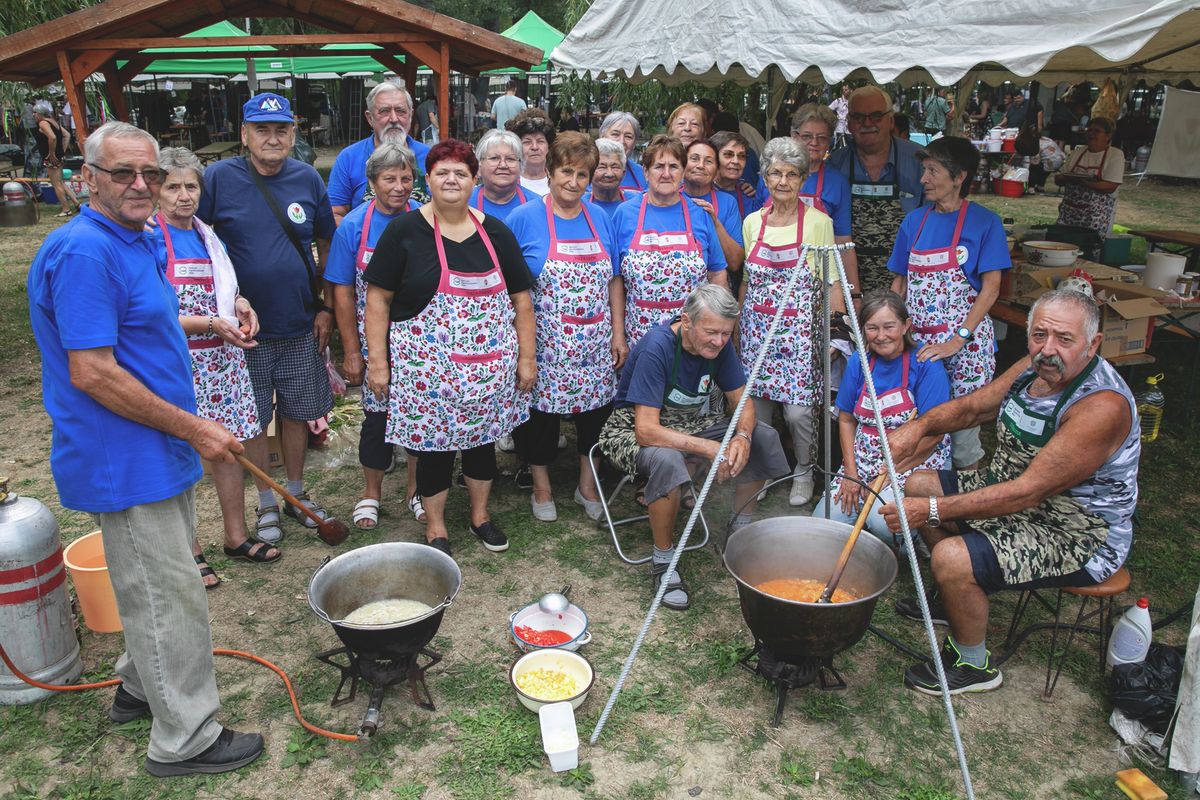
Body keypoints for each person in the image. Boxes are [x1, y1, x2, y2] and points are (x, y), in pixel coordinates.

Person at [27, 120, 263, 776]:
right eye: (122, 172)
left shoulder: (134, 239)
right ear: (87, 178)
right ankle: (184, 738)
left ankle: (138, 685)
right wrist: (194, 426)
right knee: (169, 594)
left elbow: (147, 329)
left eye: (150, 174)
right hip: (121, 456)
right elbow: (93, 371)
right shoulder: (83, 252)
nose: (140, 184)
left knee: (157, 582)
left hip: (156, 447)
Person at [881, 289, 1140, 695]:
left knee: (948, 551)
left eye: (1064, 339)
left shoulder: (1100, 407)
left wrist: (930, 509)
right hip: (1010, 491)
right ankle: (955, 599)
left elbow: (1027, 492)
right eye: (1039, 335)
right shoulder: (1034, 367)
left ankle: (973, 664)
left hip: (1075, 531)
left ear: (1093, 344)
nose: (1047, 350)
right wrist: (919, 427)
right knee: (919, 481)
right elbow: (975, 408)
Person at [364, 139, 536, 556]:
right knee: (433, 450)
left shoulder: (495, 232)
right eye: (443, 172)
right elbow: (377, 299)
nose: (452, 179)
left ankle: (480, 517)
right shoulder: (404, 231)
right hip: (426, 370)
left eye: (461, 172)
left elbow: (522, 301)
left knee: (481, 445)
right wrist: (378, 362)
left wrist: (527, 358)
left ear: (474, 180)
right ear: (429, 179)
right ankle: (436, 527)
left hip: (487, 370)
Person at [598, 285, 791, 610]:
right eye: (712, 332)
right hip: (629, 428)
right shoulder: (657, 347)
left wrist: (742, 437)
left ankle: (737, 534)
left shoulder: (720, 346)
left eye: (726, 333)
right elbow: (646, 431)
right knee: (668, 460)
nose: (719, 341)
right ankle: (663, 561)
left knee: (763, 436)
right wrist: (707, 448)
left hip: (689, 422)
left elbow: (742, 402)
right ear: (687, 322)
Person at [199, 92, 337, 544]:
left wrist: (325, 307)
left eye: (281, 130)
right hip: (244, 332)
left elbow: (324, 245)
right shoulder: (219, 177)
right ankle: (266, 501)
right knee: (251, 418)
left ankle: (295, 493)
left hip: (299, 322)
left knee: (297, 412)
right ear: (245, 135)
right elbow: (195, 238)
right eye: (262, 129)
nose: (272, 138)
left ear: (294, 134)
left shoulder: (307, 178)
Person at [153, 148, 279, 586]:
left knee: (230, 447)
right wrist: (210, 322)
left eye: (191, 186)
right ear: (157, 190)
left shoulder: (209, 236)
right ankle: (189, 550)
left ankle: (236, 536)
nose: (183, 196)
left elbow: (226, 289)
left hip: (225, 359)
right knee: (184, 453)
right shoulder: (151, 237)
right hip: (180, 362)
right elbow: (151, 315)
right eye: (173, 187)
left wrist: (241, 305)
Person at [506, 132, 627, 521]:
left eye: (582, 174)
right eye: (566, 172)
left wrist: (618, 333)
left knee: (595, 417)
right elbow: (510, 285)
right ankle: (541, 485)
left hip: (594, 343)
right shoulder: (524, 219)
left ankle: (585, 485)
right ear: (550, 171)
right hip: (545, 343)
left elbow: (613, 279)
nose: (573, 182)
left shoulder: (600, 218)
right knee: (540, 420)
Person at [888, 137, 1008, 470]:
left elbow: (991, 288)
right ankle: (924, 503)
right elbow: (899, 283)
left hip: (966, 349)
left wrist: (958, 339)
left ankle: (968, 509)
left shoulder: (985, 223)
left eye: (932, 171)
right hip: (920, 346)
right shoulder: (914, 221)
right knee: (920, 430)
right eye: (924, 170)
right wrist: (892, 332)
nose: (923, 179)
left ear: (959, 177)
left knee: (962, 441)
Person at [737, 137, 839, 507]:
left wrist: (834, 333)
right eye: (775, 173)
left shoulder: (818, 223)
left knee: (798, 413)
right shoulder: (752, 223)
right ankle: (762, 470)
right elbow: (747, 278)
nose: (783, 181)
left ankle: (804, 469)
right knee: (759, 412)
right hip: (756, 332)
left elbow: (832, 281)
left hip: (799, 335)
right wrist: (737, 331)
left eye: (791, 174)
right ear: (764, 176)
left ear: (803, 179)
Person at [327, 143, 424, 531]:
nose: (399, 187)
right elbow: (342, 292)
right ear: (371, 183)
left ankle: (416, 490)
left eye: (405, 178)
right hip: (374, 342)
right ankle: (371, 493)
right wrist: (352, 350)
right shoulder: (354, 225)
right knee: (377, 419)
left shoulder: (425, 220)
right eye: (389, 179)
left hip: (423, 340)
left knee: (421, 417)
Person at [813, 291, 950, 540]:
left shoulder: (926, 365)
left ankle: (915, 541)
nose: (881, 335)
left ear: (906, 325)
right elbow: (845, 419)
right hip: (863, 460)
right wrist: (851, 475)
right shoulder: (859, 362)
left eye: (889, 326)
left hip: (912, 462)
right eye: (872, 328)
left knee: (883, 522)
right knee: (823, 523)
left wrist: (890, 472)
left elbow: (934, 434)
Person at [611, 135, 729, 349]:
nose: (666, 174)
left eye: (674, 166)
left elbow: (717, 273)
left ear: (683, 172)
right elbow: (616, 279)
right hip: (639, 336)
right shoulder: (625, 214)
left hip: (692, 338)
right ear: (645, 172)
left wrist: (719, 325)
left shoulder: (699, 214)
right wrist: (618, 336)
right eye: (658, 166)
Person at [826, 86, 925, 295]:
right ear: (849, 123)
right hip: (847, 280)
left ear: (891, 121)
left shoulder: (920, 161)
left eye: (876, 116)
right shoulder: (834, 165)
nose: (867, 123)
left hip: (906, 279)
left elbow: (934, 221)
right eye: (859, 117)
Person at [327, 80, 431, 224]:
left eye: (400, 111)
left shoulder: (431, 157)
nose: (394, 119)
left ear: (411, 115)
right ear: (370, 118)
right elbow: (335, 214)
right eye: (384, 111)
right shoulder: (349, 158)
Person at [789, 104, 861, 299]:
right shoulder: (771, 176)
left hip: (820, 280)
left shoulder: (837, 183)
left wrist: (854, 294)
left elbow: (843, 243)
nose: (814, 143)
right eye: (807, 136)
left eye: (822, 138)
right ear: (795, 136)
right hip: (777, 274)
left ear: (829, 142)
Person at [682, 138, 745, 277]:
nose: (700, 165)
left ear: (717, 171)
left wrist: (715, 223)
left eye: (708, 161)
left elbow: (735, 262)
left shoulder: (728, 202)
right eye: (694, 159)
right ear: (682, 164)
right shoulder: (669, 197)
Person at [1054, 117, 1124, 237]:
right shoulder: (1077, 152)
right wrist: (1065, 178)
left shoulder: (1115, 155)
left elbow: (1111, 186)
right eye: (1089, 130)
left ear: (1108, 136)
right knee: (1061, 243)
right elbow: (1058, 179)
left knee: (1089, 247)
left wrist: (1085, 183)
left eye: (1097, 131)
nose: (1091, 134)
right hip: (1069, 212)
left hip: (1096, 216)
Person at [468, 129, 532, 221]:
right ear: (479, 166)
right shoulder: (464, 204)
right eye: (494, 158)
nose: (503, 165)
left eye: (510, 159)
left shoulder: (539, 206)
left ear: (521, 166)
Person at [33, 100, 80, 217]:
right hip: (59, 157)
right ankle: (77, 203)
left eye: (34, 113)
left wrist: (52, 153)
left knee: (56, 184)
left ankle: (66, 209)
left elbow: (52, 137)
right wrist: (62, 150)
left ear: (39, 114)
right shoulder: (53, 122)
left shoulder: (43, 123)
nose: (33, 115)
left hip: (52, 159)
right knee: (61, 182)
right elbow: (67, 135)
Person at [585, 137, 642, 218]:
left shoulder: (638, 204)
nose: (609, 174)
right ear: (590, 171)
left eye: (615, 167)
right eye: (602, 167)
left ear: (624, 172)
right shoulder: (579, 205)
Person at [710, 130, 761, 220]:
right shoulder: (701, 190)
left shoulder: (748, 196)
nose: (736, 161)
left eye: (741, 156)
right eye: (728, 155)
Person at [507, 108, 556, 197]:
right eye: (527, 142)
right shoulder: (507, 183)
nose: (534, 147)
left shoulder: (560, 182)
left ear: (549, 146)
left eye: (540, 141)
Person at [598, 111, 646, 190]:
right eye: (615, 134)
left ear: (634, 143)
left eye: (628, 136)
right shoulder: (586, 171)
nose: (621, 141)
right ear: (602, 136)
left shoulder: (643, 175)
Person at [830, 83, 851, 149]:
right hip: (840, 128)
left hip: (849, 129)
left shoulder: (853, 101)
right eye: (843, 89)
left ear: (851, 90)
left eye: (846, 89)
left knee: (850, 146)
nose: (844, 91)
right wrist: (834, 117)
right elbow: (828, 110)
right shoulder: (838, 101)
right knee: (839, 147)